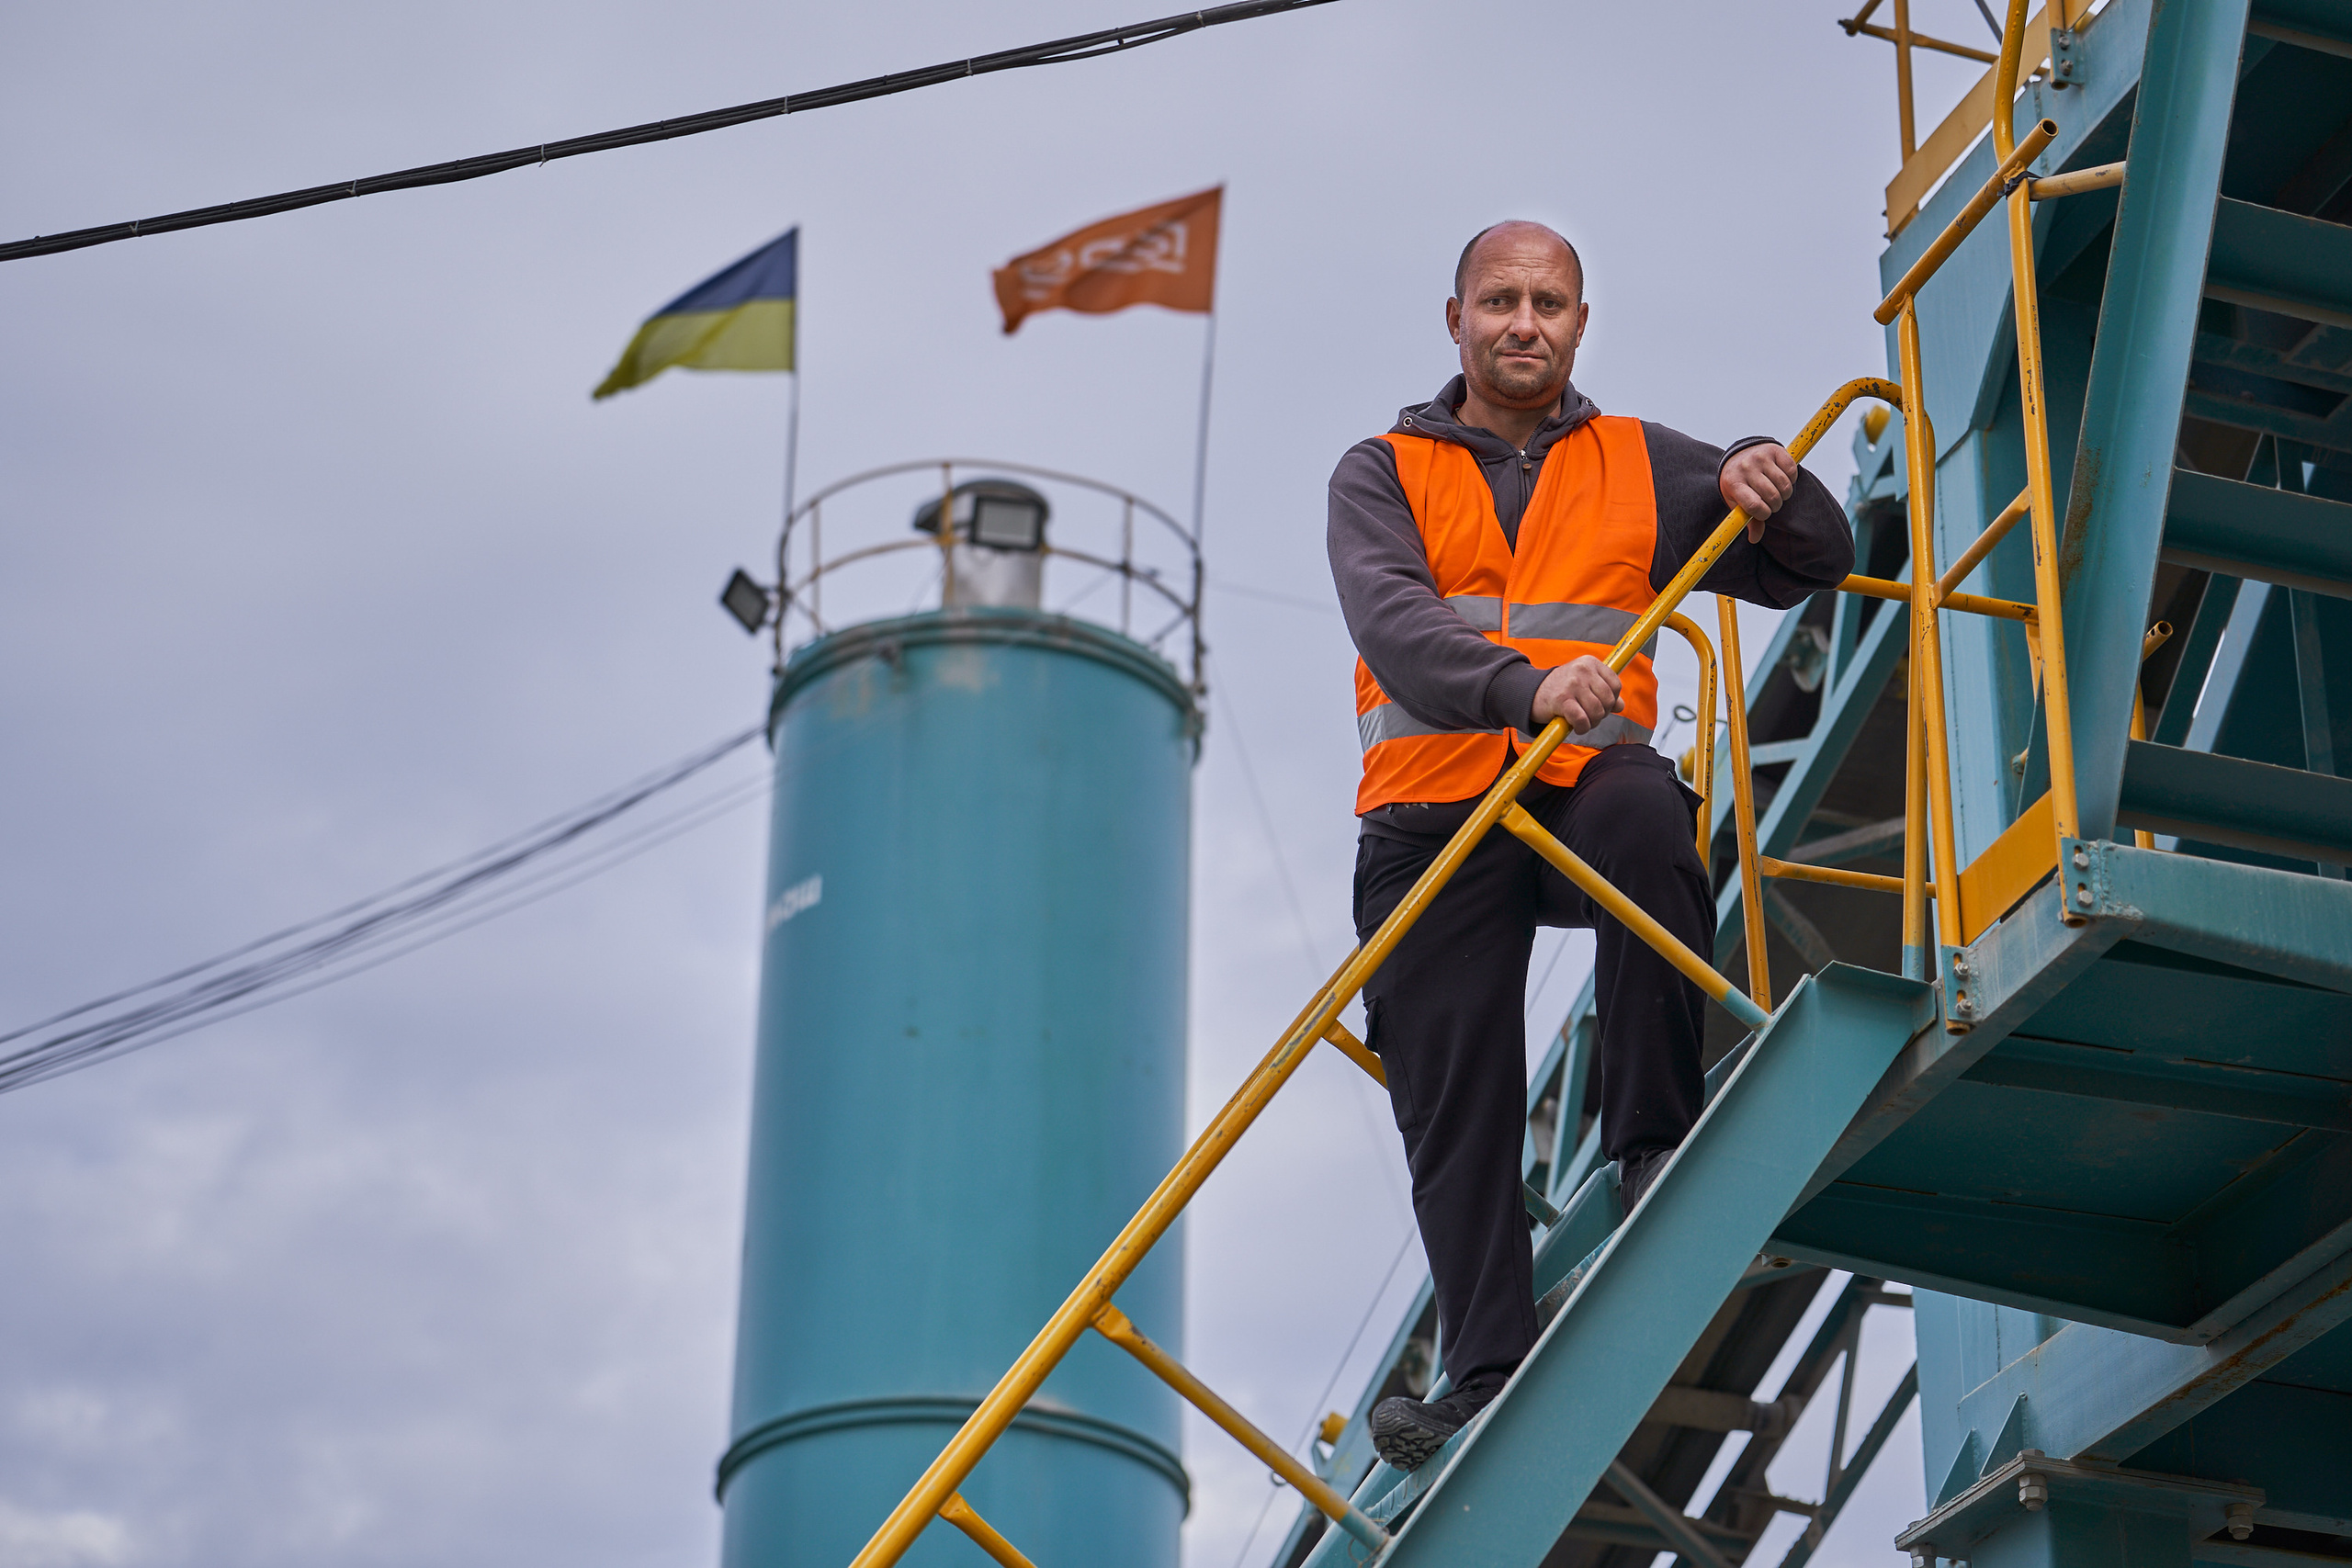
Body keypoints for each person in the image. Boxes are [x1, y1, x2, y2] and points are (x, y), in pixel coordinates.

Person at [1329, 220, 1852, 1470]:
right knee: (1454, 1084)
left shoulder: (1638, 461)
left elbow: (1818, 558)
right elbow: (1397, 628)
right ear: (1452, 318)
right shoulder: (1380, 470)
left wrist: (1768, 479)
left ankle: (1651, 1142)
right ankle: (1486, 1372)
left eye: (1551, 303)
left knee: (1646, 812)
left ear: (1578, 322)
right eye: (1501, 300)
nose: (1527, 323)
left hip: (1571, 786)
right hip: (1431, 814)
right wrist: (1521, 688)